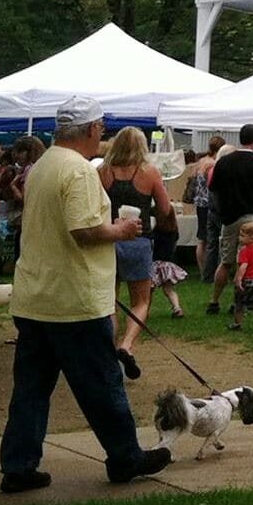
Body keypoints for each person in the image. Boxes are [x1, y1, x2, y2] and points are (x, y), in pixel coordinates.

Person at [0, 96, 171, 493]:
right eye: (101, 129)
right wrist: (120, 230)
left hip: (36, 295)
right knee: (102, 384)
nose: (103, 136)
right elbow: (83, 230)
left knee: (31, 389)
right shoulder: (78, 170)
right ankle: (125, 457)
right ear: (93, 130)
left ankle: (19, 465)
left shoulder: (43, 164)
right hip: (74, 300)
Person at [99, 126, 172, 377]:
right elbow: (164, 208)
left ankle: (109, 353)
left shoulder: (103, 172)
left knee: (109, 301)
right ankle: (127, 345)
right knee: (141, 301)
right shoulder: (149, 172)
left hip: (108, 239)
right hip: (139, 241)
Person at [205, 123, 253, 315]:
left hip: (229, 217)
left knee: (226, 261)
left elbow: (214, 189)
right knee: (248, 262)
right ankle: (240, 302)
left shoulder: (224, 162)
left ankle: (214, 300)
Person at [190, 135, 224, 285]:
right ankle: (206, 269)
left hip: (199, 202)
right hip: (208, 203)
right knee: (208, 238)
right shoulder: (212, 164)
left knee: (201, 237)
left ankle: (203, 269)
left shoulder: (201, 162)